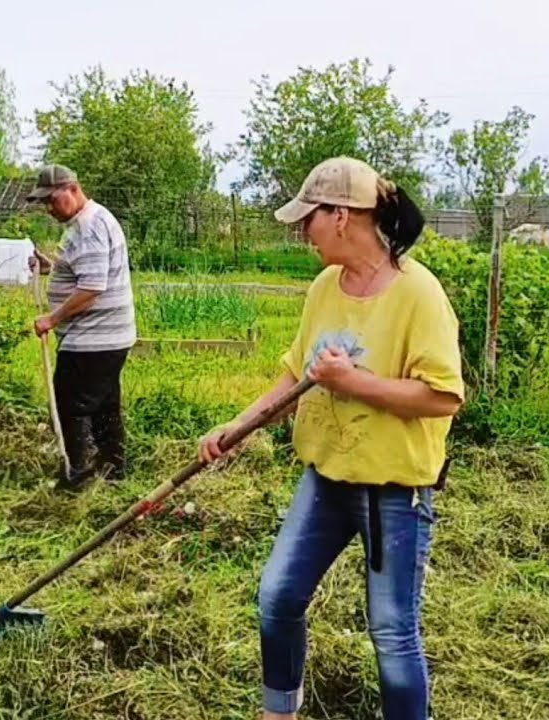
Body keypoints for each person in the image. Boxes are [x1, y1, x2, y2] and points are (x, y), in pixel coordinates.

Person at [198, 156, 464, 720]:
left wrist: (354, 382)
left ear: (342, 216)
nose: (303, 233)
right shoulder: (324, 288)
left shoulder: (418, 294)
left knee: (392, 634)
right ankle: (280, 712)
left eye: (308, 220)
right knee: (278, 598)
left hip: (393, 493)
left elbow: (443, 396)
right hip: (325, 480)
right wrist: (237, 427)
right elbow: (296, 376)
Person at [26, 164, 136, 492]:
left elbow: (91, 287)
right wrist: (51, 267)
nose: (48, 207)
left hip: (94, 338)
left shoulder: (88, 226)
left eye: (52, 199)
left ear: (73, 189)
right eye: (43, 202)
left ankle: (77, 475)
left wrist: (52, 318)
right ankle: (112, 469)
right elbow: (81, 270)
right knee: (103, 404)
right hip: (106, 335)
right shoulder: (89, 220)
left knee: (71, 404)